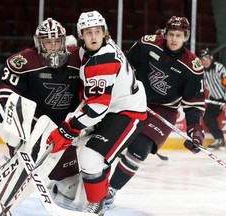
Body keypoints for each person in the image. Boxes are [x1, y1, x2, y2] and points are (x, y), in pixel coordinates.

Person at [0, 17, 82, 216]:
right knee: (24, 173)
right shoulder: (23, 61)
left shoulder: (79, 58)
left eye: (57, 41)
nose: (53, 47)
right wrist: (21, 124)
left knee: (72, 186)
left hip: (62, 133)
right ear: (39, 43)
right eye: (48, 42)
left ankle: (56, 189)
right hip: (32, 130)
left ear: (64, 41)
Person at [46, 10, 147, 215]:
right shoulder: (89, 50)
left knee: (91, 158)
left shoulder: (104, 60)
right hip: (112, 106)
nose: (93, 37)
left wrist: (68, 130)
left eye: (97, 32)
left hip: (127, 113)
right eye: (88, 32)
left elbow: (97, 107)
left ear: (105, 33)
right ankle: (74, 186)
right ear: (82, 35)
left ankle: (97, 202)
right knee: (79, 143)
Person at [105, 16, 206, 206]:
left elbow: (193, 104)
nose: (174, 39)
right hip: (134, 98)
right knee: (109, 139)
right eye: (171, 34)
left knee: (139, 149)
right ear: (165, 34)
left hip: (164, 109)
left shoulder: (192, 66)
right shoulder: (147, 44)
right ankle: (92, 182)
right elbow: (125, 64)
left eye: (179, 35)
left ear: (185, 37)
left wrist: (195, 130)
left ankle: (111, 190)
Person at [200, 48, 226, 149]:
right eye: (202, 59)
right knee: (208, 118)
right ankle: (219, 140)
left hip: (224, 98)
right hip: (214, 99)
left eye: (206, 58)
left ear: (211, 58)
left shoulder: (220, 68)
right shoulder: (203, 72)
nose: (204, 61)